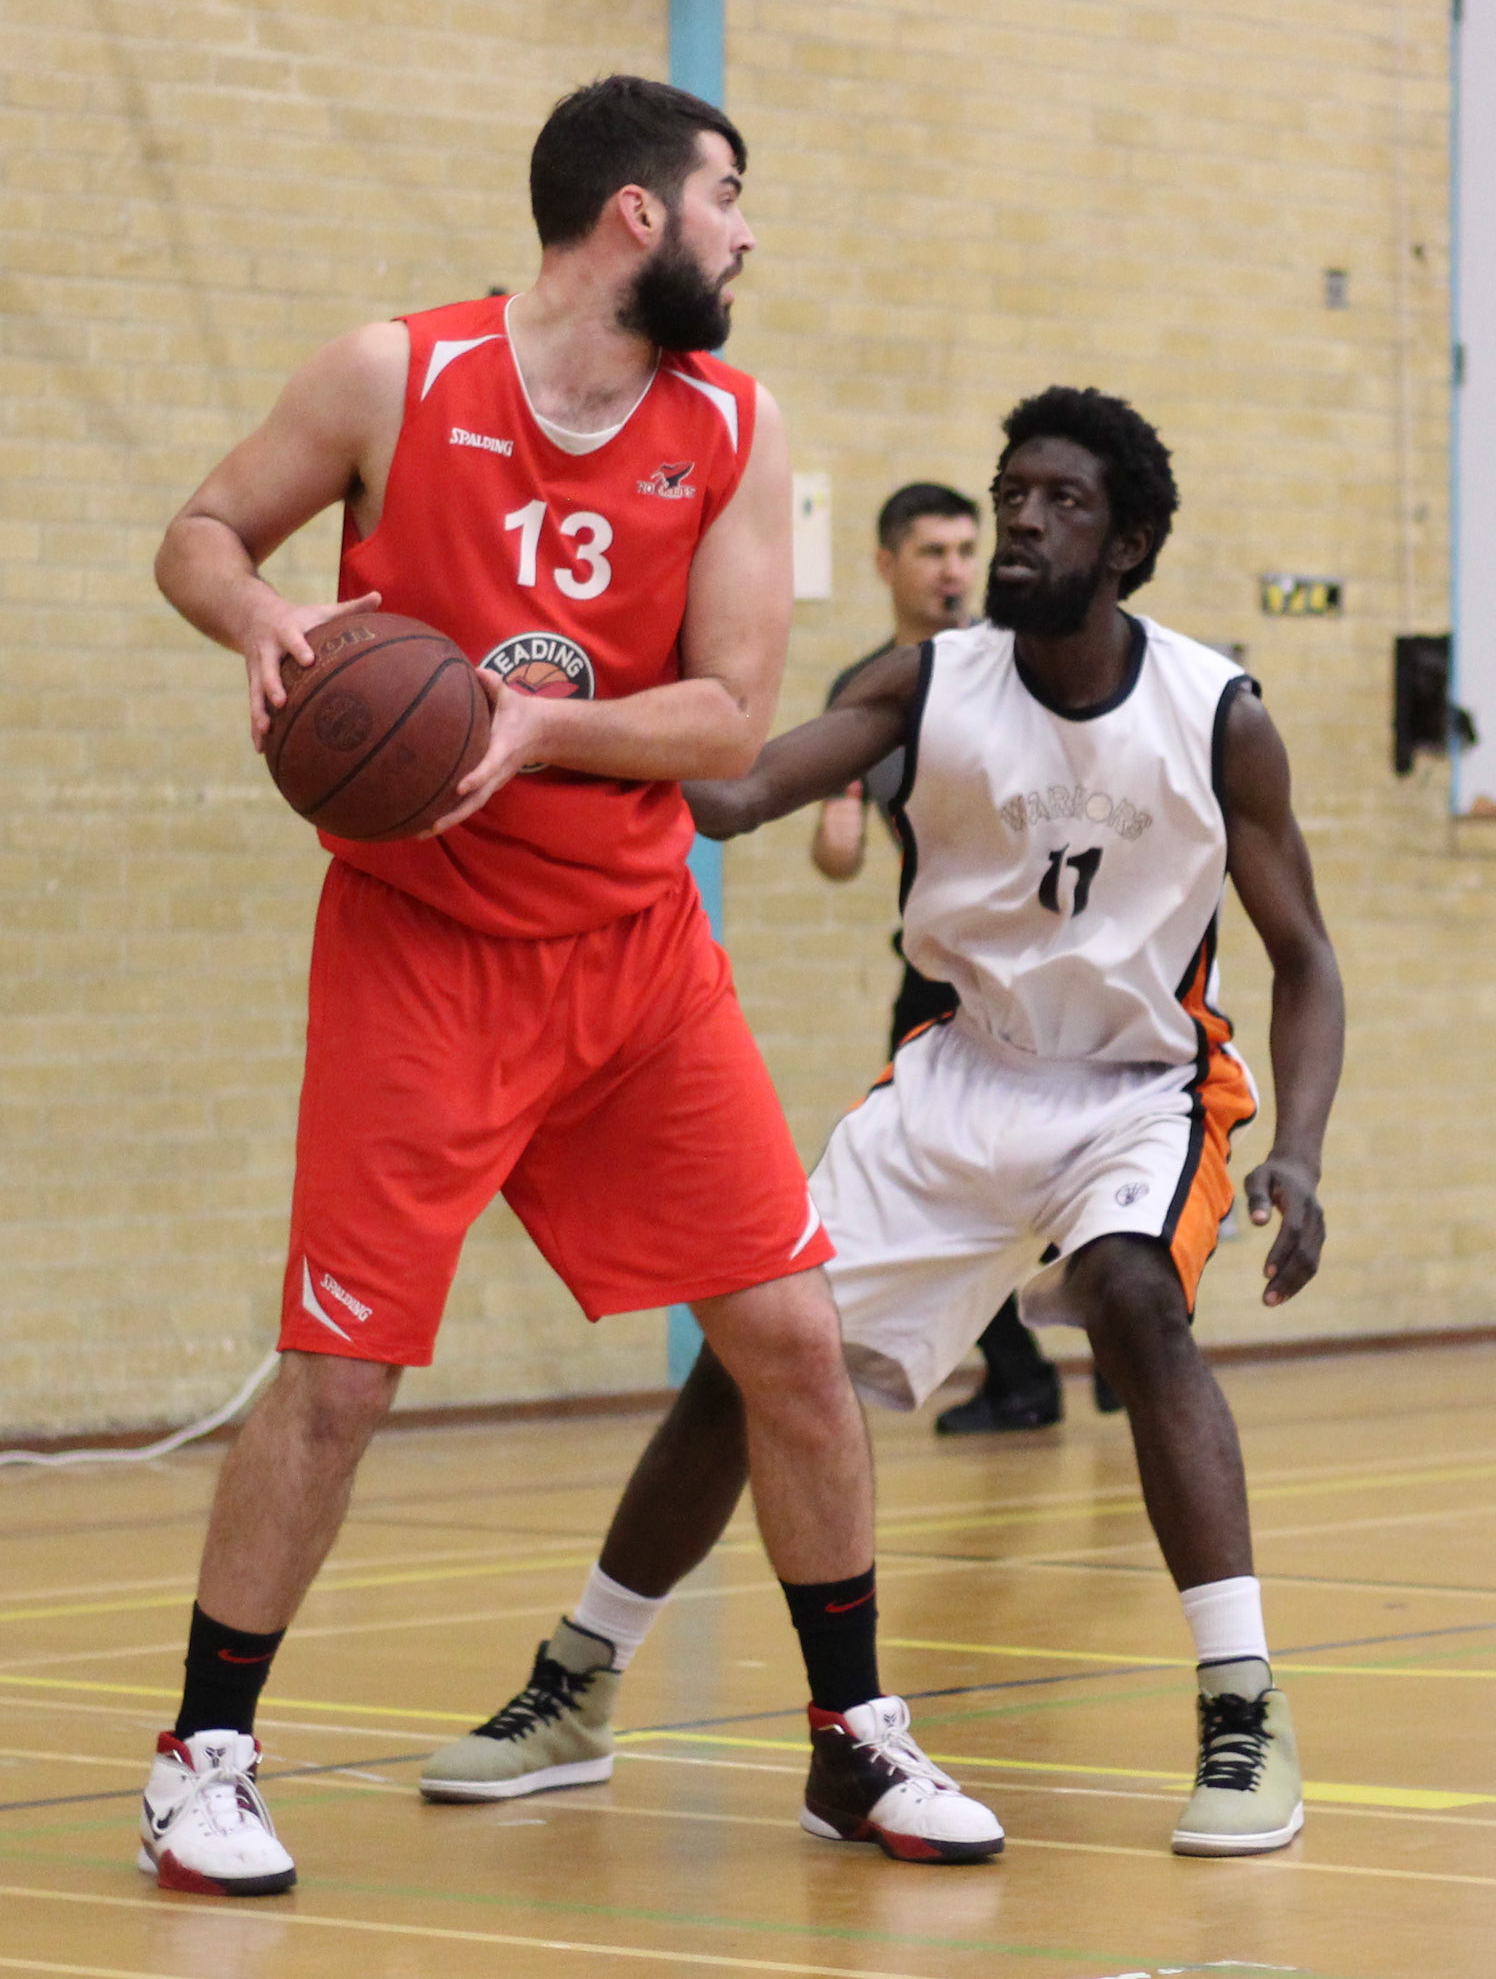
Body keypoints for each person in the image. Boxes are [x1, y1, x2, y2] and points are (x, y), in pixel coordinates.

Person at [141, 74, 1001, 1898]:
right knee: (339, 1376)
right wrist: (264, 619)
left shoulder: (732, 423)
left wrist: (534, 726)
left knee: (793, 1342)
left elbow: (730, 715)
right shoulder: (395, 374)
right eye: (729, 196)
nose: (748, 234)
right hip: (421, 954)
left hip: (633, 961)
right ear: (637, 213)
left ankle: (852, 1734)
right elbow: (200, 533)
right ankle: (201, 1757)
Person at [430, 386, 1344, 1859]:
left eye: (1060, 502)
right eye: (1010, 494)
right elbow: (733, 794)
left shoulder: (1214, 712)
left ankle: (1242, 1708)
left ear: (1129, 544)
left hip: (1139, 1083)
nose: (1020, 523)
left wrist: (1295, 1149)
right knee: (757, 1356)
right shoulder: (925, 684)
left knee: (1133, 1296)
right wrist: (561, 713)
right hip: (959, 1073)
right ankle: (577, 1682)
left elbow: (1304, 958)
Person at [810, 482, 1072, 1434]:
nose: (954, 570)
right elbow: (837, 852)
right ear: (888, 565)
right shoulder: (868, 688)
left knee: (1072, 1156)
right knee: (936, 1171)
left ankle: (1129, 1336)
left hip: (1048, 968)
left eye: (967, 549)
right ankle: (1020, 1376)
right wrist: (837, 830)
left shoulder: (1020, 668)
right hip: (940, 976)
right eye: (932, 552)